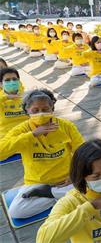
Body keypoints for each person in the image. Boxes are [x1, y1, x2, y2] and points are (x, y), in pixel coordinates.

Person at [0, 89, 84, 219]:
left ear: (52, 108)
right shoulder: (22, 130)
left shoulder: (66, 126)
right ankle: (65, 197)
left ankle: (52, 194)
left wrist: (75, 175)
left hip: (67, 180)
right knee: (16, 212)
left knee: (96, 186)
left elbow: (82, 152)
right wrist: (33, 134)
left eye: (45, 109)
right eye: (35, 110)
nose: (41, 114)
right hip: (37, 183)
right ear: (27, 110)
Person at [0, 68, 28, 139]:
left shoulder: (27, 97)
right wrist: (6, 97)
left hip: (27, 134)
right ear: (1, 84)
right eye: (7, 80)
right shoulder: (1, 99)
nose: (12, 82)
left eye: (14, 79)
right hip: (6, 137)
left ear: (19, 81)